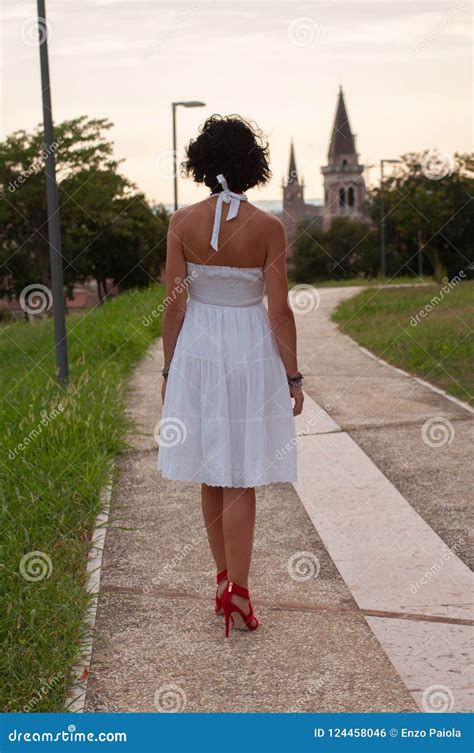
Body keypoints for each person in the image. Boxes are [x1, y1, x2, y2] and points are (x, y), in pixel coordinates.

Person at [157, 114, 303, 638]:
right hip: (249, 351)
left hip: (197, 350)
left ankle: (222, 583)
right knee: (242, 477)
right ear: (252, 166)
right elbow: (280, 312)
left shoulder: (180, 223)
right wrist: (293, 376)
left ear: (201, 164)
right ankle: (239, 593)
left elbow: (172, 305)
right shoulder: (269, 228)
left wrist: (170, 368)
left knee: (212, 469)